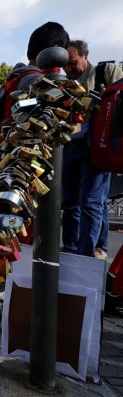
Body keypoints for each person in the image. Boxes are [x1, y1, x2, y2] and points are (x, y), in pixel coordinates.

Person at [61, 40, 123, 259]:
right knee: (70, 203)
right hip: (70, 146)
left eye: (73, 62)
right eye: (65, 65)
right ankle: (70, 251)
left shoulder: (104, 73)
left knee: (92, 203)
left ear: (86, 56)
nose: (68, 68)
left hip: (97, 148)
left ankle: (86, 256)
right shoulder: (62, 83)